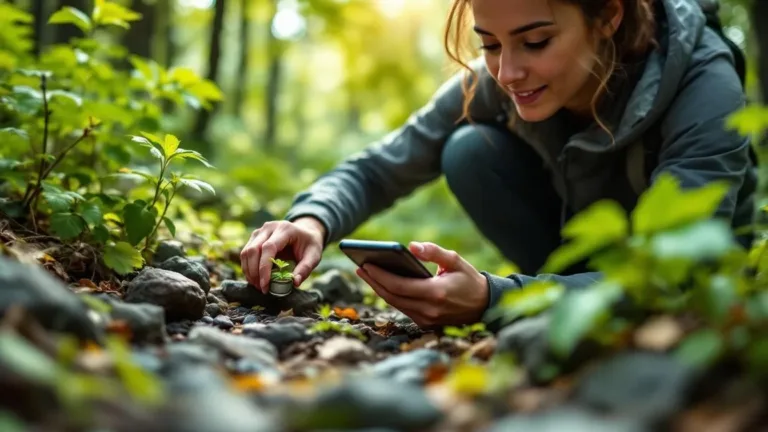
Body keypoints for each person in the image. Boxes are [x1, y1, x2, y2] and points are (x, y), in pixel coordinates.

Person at [240, 0, 757, 329]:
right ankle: (568, 298)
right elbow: (380, 166)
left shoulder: (704, 85)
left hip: (685, 278)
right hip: (581, 258)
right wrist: (312, 219)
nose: (507, 71)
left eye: (536, 41)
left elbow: (677, 272)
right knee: (469, 149)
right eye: (489, 43)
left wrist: (495, 298)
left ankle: (573, 302)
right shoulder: (505, 79)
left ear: (609, 17)